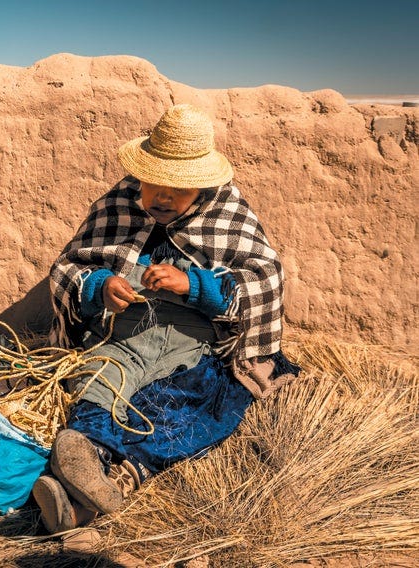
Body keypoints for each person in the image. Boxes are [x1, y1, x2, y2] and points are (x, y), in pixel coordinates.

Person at [33, 105, 300, 534]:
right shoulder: (118, 203)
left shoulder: (227, 214)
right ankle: (83, 452)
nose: (161, 197)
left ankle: (97, 488)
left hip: (193, 346)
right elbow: (69, 267)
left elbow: (263, 281)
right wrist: (100, 286)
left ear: (202, 186)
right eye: (153, 182)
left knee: (198, 401)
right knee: (99, 379)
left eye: (177, 189)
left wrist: (192, 285)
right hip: (121, 336)